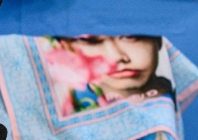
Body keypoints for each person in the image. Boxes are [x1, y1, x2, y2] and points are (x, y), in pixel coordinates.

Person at [45, 35, 173, 115]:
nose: (116, 57)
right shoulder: (66, 106)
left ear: (158, 39)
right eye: (90, 41)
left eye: (130, 36)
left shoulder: (171, 93)